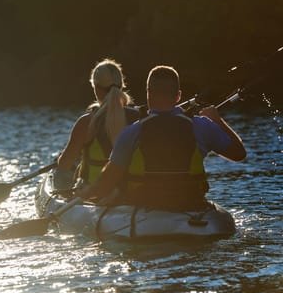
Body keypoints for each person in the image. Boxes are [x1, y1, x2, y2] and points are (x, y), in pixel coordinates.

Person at [76, 65, 246, 211]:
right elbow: (239, 154)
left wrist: (85, 193)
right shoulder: (202, 126)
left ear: (148, 93)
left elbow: (107, 182)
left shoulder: (132, 132)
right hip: (190, 205)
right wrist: (217, 120)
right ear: (178, 96)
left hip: (145, 208)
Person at [53, 59, 139, 189]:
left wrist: (60, 159)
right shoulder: (138, 117)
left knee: (60, 173)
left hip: (93, 193)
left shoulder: (86, 122)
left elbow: (65, 163)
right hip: (129, 191)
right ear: (121, 86)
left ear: (96, 88)